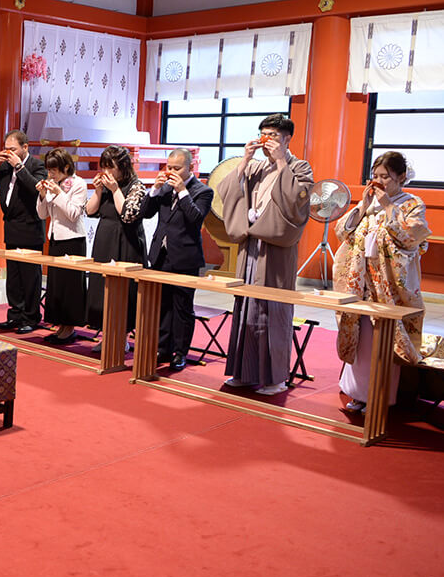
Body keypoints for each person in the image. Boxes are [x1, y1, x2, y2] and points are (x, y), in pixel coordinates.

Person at [217, 114, 314, 396]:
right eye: (264, 135)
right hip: (251, 248)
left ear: (286, 139)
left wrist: (282, 161)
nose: (267, 141)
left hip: (276, 250)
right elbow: (229, 193)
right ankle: (245, 372)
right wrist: (244, 161)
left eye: (273, 135)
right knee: (246, 307)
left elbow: (297, 202)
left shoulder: (300, 166)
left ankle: (276, 378)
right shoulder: (256, 167)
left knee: (274, 310)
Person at [332, 151, 430, 412]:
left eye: (385, 176)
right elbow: (342, 232)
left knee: (383, 340)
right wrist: (363, 206)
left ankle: (380, 396)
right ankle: (356, 392)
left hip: (390, 285)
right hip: (361, 280)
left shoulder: (412, 204)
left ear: (401, 177)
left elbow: (413, 238)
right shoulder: (369, 203)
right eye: (375, 176)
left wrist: (387, 205)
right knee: (361, 336)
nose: (378, 181)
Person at [142, 148, 214, 371]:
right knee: (162, 306)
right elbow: (145, 212)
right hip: (161, 255)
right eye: (168, 167)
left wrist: (182, 191)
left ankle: (180, 353)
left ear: (190, 168)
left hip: (185, 258)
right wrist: (154, 189)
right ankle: (162, 349)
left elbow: (195, 219)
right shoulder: (164, 189)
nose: (170, 172)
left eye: (176, 168)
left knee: (182, 308)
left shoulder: (203, 191)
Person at [0, 130, 47, 334]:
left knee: (30, 277)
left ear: (25, 148)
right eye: (6, 149)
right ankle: (15, 315)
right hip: (11, 226)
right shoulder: (5, 166)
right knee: (14, 277)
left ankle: (31, 317)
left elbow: (36, 189)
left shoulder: (37, 166)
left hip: (30, 228)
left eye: (13, 149)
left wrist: (19, 166)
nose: (9, 153)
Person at [85, 145, 147, 354]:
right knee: (102, 288)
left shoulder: (136, 186)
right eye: (104, 167)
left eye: (111, 167)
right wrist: (99, 190)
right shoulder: (105, 186)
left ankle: (122, 338)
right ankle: (105, 334)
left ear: (122, 167)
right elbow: (89, 211)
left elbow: (127, 214)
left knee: (124, 290)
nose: (107, 172)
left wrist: (115, 190)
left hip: (126, 242)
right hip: (105, 239)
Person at [35, 148, 88, 344]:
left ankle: (70, 328)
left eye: (54, 170)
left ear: (66, 167)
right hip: (56, 238)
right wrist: (42, 195)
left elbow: (74, 214)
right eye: (49, 170)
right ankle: (59, 326)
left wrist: (58, 193)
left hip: (73, 240)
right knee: (56, 285)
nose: (51, 174)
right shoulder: (54, 184)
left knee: (70, 286)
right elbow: (42, 215)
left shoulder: (79, 184)